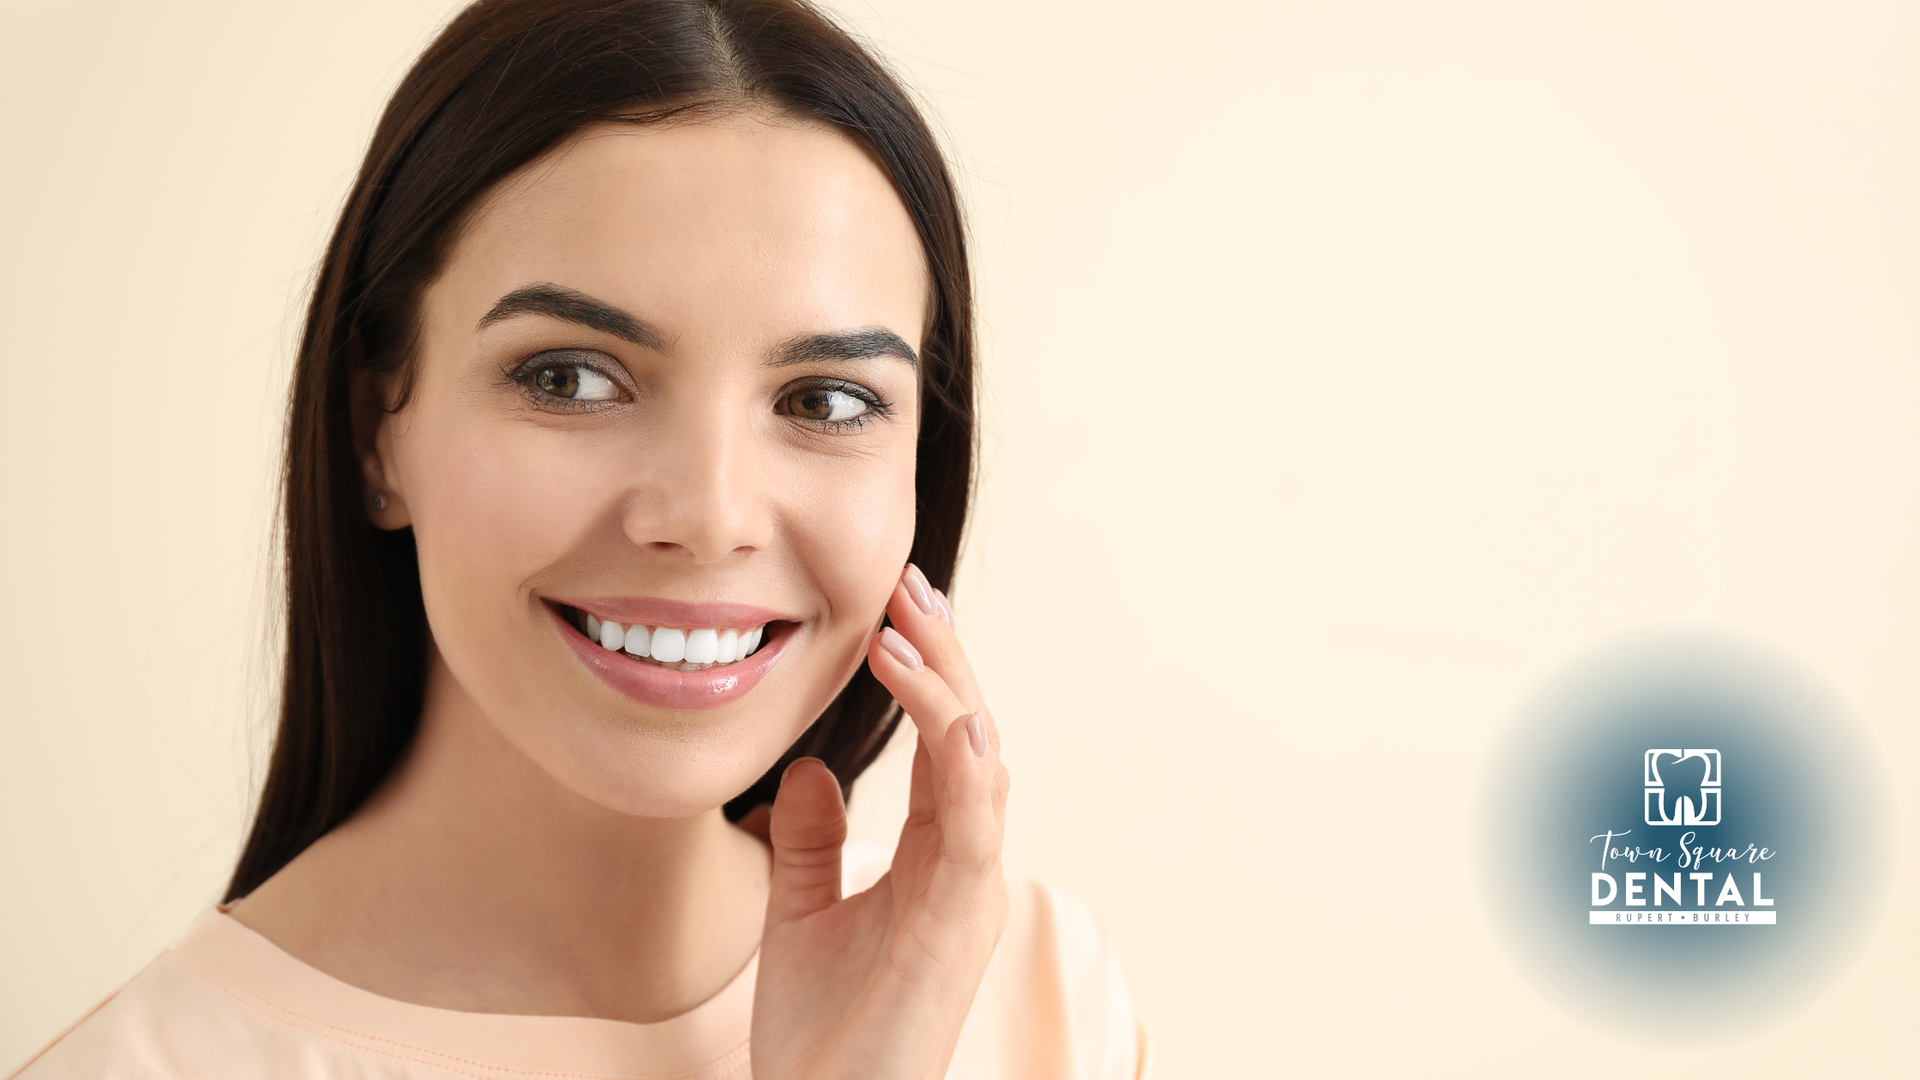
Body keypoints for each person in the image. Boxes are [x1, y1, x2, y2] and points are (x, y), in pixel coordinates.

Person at [9, 1, 1145, 1077]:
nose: (708, 515)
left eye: (825, 402)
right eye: (570, 377)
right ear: (375, 434)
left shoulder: (1033, 997)